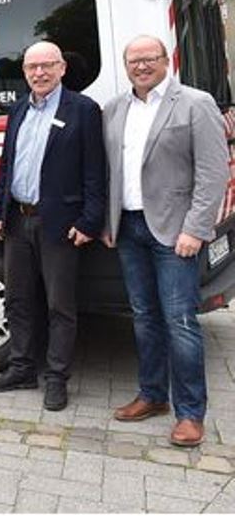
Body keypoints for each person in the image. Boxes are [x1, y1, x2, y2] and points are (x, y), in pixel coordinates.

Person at [103, 35, 229, 447]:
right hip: (130, 229)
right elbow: (113, 171)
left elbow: (212, 173)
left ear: (165, 60)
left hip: (175, 232)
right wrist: (109, 221)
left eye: (149, 58)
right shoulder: (115, 108)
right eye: (133, 60)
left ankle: (191, 413)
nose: (141, 66)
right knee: (144, 317)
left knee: (180, 322)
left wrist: (196, 229)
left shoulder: (195, 103)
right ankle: (153, 395)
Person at [0, 41, 106, 411]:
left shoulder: (83, 110)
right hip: (17, 221)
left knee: (60, 306)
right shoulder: (18, 109)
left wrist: (89, 221)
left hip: (61, 225)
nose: (39, 73)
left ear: (62, 68)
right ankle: (21, 368)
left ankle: (56, 377)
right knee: (19, 300)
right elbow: (7, 166)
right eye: (31, 67)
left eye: (47, 65)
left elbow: (96, 172)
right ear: (24, 71)